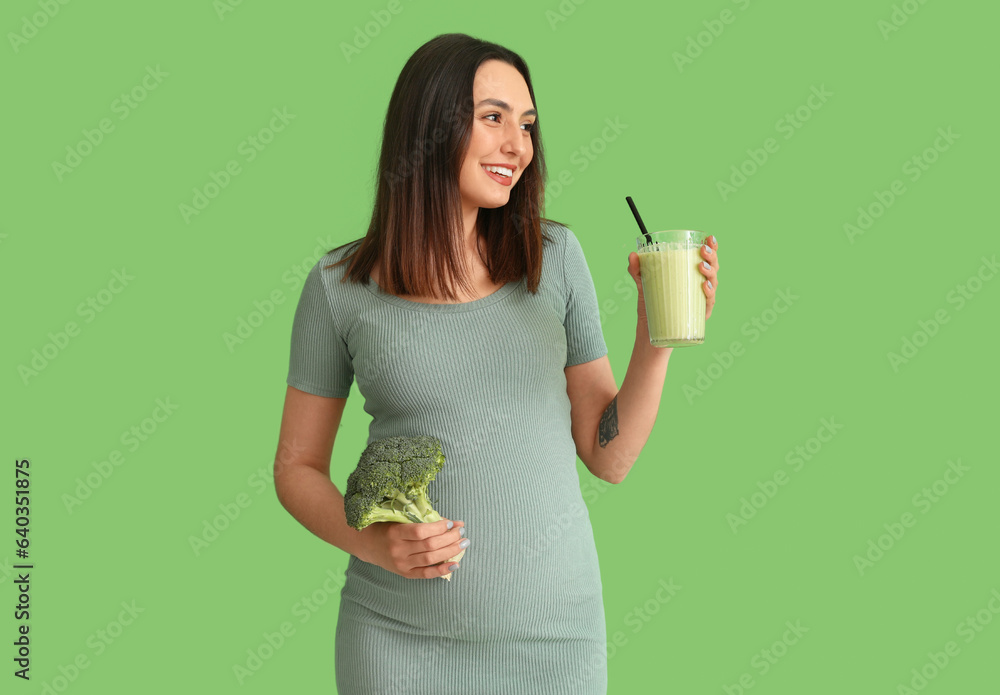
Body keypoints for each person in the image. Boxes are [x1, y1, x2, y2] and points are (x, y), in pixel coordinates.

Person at [273, 32, 720, 694]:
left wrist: (655, 339)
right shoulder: (340, 285)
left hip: (553, 646)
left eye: (528, 125)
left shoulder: (555, 259)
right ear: (428, 126)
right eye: (493, 118)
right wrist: (372, 540)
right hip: (398, 643)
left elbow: (609, 455)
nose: (519, 145)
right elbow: (295, 468)